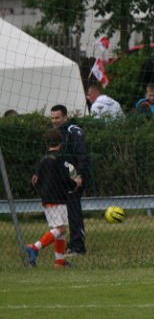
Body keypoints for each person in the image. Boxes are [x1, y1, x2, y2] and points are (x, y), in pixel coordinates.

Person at [24, 128, 82, 268]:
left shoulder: (43, 159)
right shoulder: (60, 158)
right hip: (57, 198)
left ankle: (59, 261)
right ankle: (34, 247)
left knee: (59, 229)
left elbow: (35, 180)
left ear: (46, 143)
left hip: (47, 198)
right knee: (61, 229)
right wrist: (75, 183)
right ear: (61, 142)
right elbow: (64, 178)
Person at [49, 104, 90, 256]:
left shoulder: (73, 130)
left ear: (65, 117)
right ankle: (69, 244)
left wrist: (79, 175)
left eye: (57, 118)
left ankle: (78, 247)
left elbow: (82, 155)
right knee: (63, 214)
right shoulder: (56, 134)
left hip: (74, 179)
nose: (54, 121)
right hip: (62, 180)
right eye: (52, 118)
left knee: (73, 212)